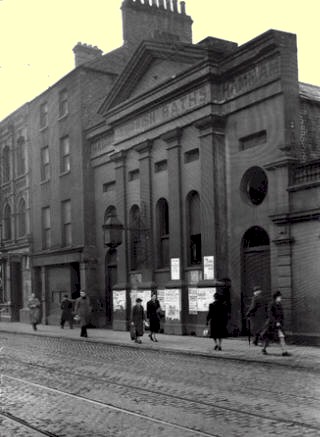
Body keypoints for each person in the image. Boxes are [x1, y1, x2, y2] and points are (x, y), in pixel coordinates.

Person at [261, 291, 291, 356]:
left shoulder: (280, 305)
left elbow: (281, 314)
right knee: (268, 337)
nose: (281, 298)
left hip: (278, 324)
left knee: (281, 337)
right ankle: (264, 349)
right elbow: (270, 315)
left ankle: (284, 351)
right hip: (271, 324)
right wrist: (275, 322)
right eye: (279, 297)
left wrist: (281, 322)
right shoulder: (271, 304)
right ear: (276, 298)